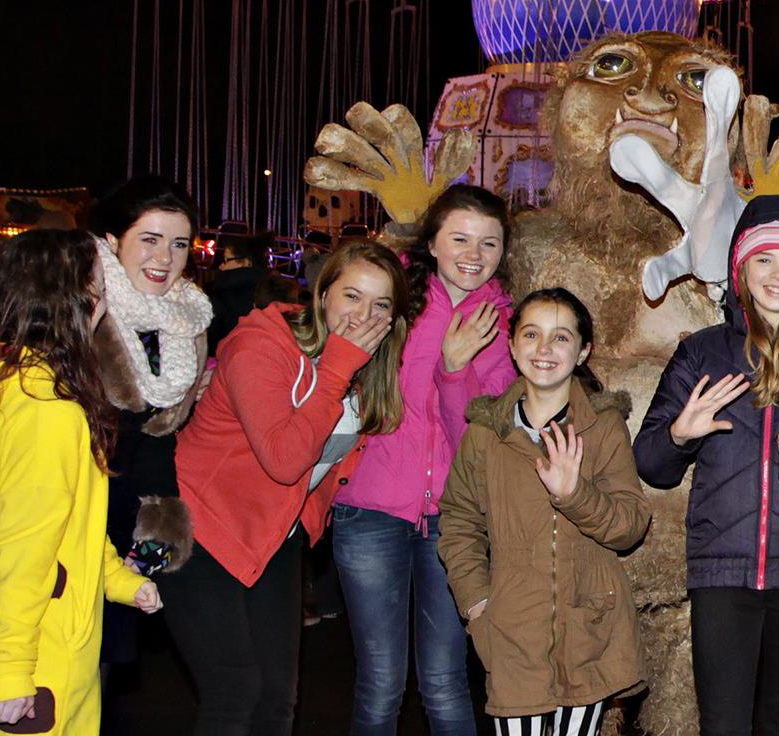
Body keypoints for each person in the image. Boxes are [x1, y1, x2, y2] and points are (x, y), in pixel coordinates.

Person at [633, 196, 779, 735]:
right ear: (741, 267)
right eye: (764, 260)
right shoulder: (703, 354)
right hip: (722, 572)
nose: (777, 275)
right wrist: (678, 435)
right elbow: (652, 464)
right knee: (724, 723)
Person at [164, 239, 408, 736]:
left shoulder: (365, 372)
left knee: (278, 698)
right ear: (322, 296)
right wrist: (338, 364)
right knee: (234, 692)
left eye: (381, 304)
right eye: (352, 296)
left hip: (275, 537)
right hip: (201, 529)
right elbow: (284, 460)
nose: (364, 314)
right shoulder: (263, 344)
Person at [332, 185, 512, 736]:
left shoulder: (505, 328)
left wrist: (455, 370)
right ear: (431, 242)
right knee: (381, 680)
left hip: (453, 523)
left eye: (489, 243)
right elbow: (327, 361)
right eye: (459, 238)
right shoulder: (395, 306)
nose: (473, 255)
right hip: (370, 511)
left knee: (445, 679)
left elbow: (481, 440)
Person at [439, 288, 651, 736]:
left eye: (560, 337)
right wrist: (477, 601)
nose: (544, 349)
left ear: (583, 350)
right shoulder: (485, 434)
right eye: (532, 334)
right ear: (512, 346)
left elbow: (630, 525)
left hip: (589, 629)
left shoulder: (603, 426)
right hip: (513, 631)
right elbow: (459, 520)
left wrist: (574, 493)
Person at [0, 230, 163, 734]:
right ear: (71, 300)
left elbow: (71, 528)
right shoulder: (49, 410)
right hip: (43, 654)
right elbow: (23, 547)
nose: (105, 299)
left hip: (41, 638)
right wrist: (7, 667)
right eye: (97, 284)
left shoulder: (11, 382)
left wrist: (119, 581)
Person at [90, 178, 214, 669]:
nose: (165, 256)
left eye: (178, 243)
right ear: (113, 241)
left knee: (98, 680)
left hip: (124, 532)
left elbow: (157, 443)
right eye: (150, 238)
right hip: (65, 518)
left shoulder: (188, 325)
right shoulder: (79, 313)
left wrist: (150, 551)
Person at [205, 233, 281, 352]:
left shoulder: (221, 292)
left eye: (226, 260)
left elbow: (210, 339)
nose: (220, 266)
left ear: (245, 262)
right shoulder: (275, 289)